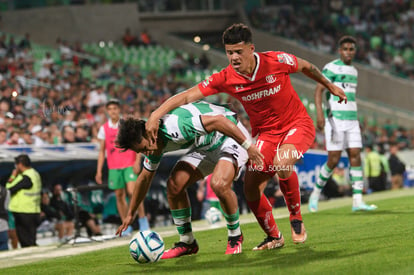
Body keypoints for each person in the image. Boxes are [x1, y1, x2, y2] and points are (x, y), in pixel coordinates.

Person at [145, 23, 346, 250]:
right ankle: (274, 237)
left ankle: (296, 218)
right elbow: (186, 97)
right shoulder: (226, 77)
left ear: (251, 49)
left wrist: (330, 86)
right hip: (266, 135)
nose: (234, 57)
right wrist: (156, 114)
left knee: (282, 162)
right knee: (250, 188)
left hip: (297, 125)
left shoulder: (276, 61)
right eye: (229, 52)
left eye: (238, 52)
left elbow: (308, 67)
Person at [116, 101, 263, 257]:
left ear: (147, 133)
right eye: (141, 152)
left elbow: (219, 121)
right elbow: (144, 179)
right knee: (174, 185)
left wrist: (248, 146)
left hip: (230, 136)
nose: (146, 153)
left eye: (144, 148)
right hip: (206, 145)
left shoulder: (175, 126)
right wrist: (131, 213)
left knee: (219, 184)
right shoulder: (153, 144)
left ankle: (235, 236)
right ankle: (187, 242)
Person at [308, 36, 377, 212]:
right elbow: (319, 89)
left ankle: (357, 201)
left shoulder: (354, 71)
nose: (348, 52)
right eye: (345, 49)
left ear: (355, 51)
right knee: (333, 160)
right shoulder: (331, 67)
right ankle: (315, 194)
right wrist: (319, 114)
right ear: (340, 51)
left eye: (351, 49)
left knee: (355, 155)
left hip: (352, 120)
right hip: (335, 119)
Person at [96, 99, 149, 234]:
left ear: (119, 110)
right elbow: (102, 151)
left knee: (133, 192)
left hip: (129, 164)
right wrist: (99, 171)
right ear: (107, 112)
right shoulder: (104, 129)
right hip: (114, 166)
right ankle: (126, 225)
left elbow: (137, 142)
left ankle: (143, 220)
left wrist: (137, 161)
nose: (113, 111)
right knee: (119, 195)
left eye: (115, 108)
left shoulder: (125, 125)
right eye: (110, 109)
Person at [6, 154, 42, 247]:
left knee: (26, 241)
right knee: (31, 239)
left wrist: (12, 177)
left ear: (20, 164)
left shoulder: (25, 177)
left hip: (23, 210)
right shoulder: (35, 173)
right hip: (33, 209)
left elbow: (9, 189)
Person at [0, 185, 9, 251]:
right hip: (2, 220)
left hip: (2, 220)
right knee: (3, 243)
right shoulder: (6, 191)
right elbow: (6, 207)